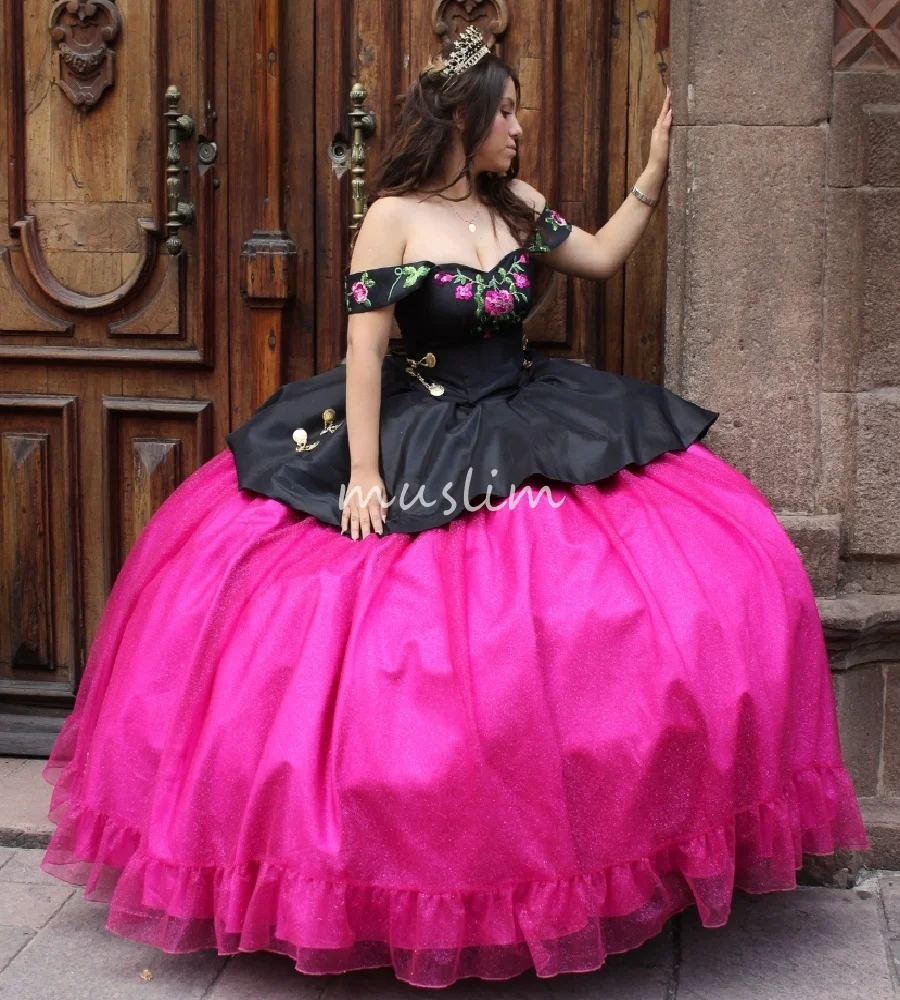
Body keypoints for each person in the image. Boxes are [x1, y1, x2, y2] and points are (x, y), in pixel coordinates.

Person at [39, 25, 869, 990]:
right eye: (505, 113)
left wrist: (652, 169)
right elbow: (363, 349)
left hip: (525, 416)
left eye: (516, 113)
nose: (518, 128)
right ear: (465, 119)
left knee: (592, 618)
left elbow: (600, 258)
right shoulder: (392, 216)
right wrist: (363, 473)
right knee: (401, 644)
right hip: (422, 425)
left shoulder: (515, 203)